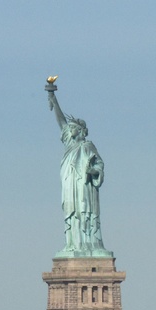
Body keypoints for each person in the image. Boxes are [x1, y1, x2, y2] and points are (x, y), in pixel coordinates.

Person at [47, 86, 111, 257]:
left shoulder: (88, 146)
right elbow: (61, 123)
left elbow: (100, 164)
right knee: (71, 212)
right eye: (70, 128)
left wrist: (93, 171)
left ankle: (91, 244)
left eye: (73, 127)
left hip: (84, 186)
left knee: (86, 212)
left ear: (81, 130)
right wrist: (53, 99)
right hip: (70, 184)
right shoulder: (70, 144)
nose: (70, 129)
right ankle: (73, 244)